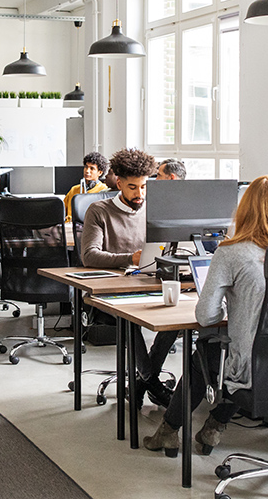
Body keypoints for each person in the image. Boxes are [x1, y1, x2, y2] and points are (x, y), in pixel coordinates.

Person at [143, 174, 268, 457]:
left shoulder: (231, 251)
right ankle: (213, 428)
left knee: (206, 354)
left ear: (243, 208)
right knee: (239, 353)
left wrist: (232, 310)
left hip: (254, 368)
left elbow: (205, 317)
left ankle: (168, 432)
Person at [81, 148, 177, 408]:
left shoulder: (154, 209)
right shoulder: (98, 211)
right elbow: (89, 256)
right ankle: (153, 383)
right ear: (119, 183)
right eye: (133, 188)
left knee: (178, 317)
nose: (139, 194)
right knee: (129, 320)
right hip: (110, 290)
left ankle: (142, 382)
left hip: (149, 282)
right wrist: (130, 259)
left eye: (144, 187)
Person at [62, 151, 110, 221]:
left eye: (92, 168)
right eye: (86, 167)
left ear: (99, 172)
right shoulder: (74, 189)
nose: (87, 171)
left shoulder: (103, 190)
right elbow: (61, 210)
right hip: (70, 226)